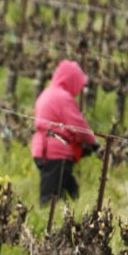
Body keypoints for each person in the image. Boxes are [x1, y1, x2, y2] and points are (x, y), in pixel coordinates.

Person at [30, 60, 98, 206]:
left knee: (71, 191)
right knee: (50, 199)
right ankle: (47, 225)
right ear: (70, 80)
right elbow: (77, 124)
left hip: (43, 149)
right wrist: (92, 141)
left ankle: (70, 219)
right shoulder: (63, 97)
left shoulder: (47, 93)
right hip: (56, 153)